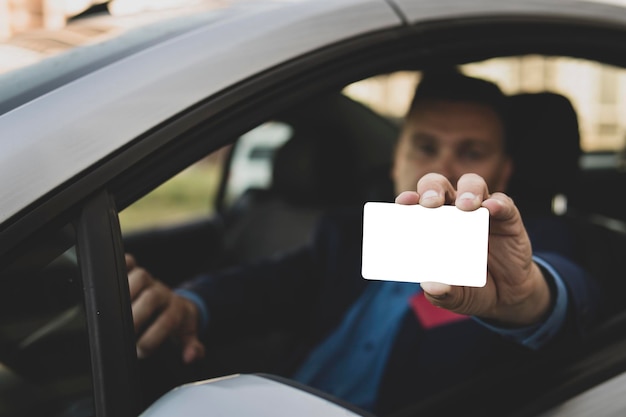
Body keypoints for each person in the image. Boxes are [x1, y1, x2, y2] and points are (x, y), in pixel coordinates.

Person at [127, 70, 603, 414]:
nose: (444, 168)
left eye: (472, 152)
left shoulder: (525, 245)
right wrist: (189, 307)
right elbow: (270, 284)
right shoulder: (351, 231)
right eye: (425, 145)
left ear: (504, 171)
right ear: (395, 158)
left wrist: (525, 299)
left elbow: (564, 293)